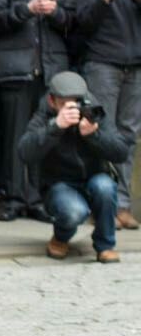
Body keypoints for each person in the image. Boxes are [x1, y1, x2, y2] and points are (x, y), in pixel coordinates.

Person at [0, 0, 73, 222]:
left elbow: (74, 20)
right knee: (13, 137)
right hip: (15, 66)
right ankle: (13, 197)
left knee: (45, 135)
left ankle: (36, 198)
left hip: (51, 67)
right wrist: (26, 10)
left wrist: (56, 13)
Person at [67, 0, 141, 230]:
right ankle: (102, 204)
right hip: (102, 63)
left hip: (136, 64)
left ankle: (122, 203)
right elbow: (80, 19)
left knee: (128, 135)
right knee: (99, 133)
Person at [17, 71, 128, 263]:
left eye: (76, 102)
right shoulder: (44, 115)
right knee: (74, 211)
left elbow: (121, 152)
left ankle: (105, 245)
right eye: (64, 104)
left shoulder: (93, 111)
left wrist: (94, 135)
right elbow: (24, 152)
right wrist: (55, 127)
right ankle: (60, 238)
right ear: (52, 101)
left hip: (94, 178)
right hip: (59, 185)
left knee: (106, 187)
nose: (72, 109)